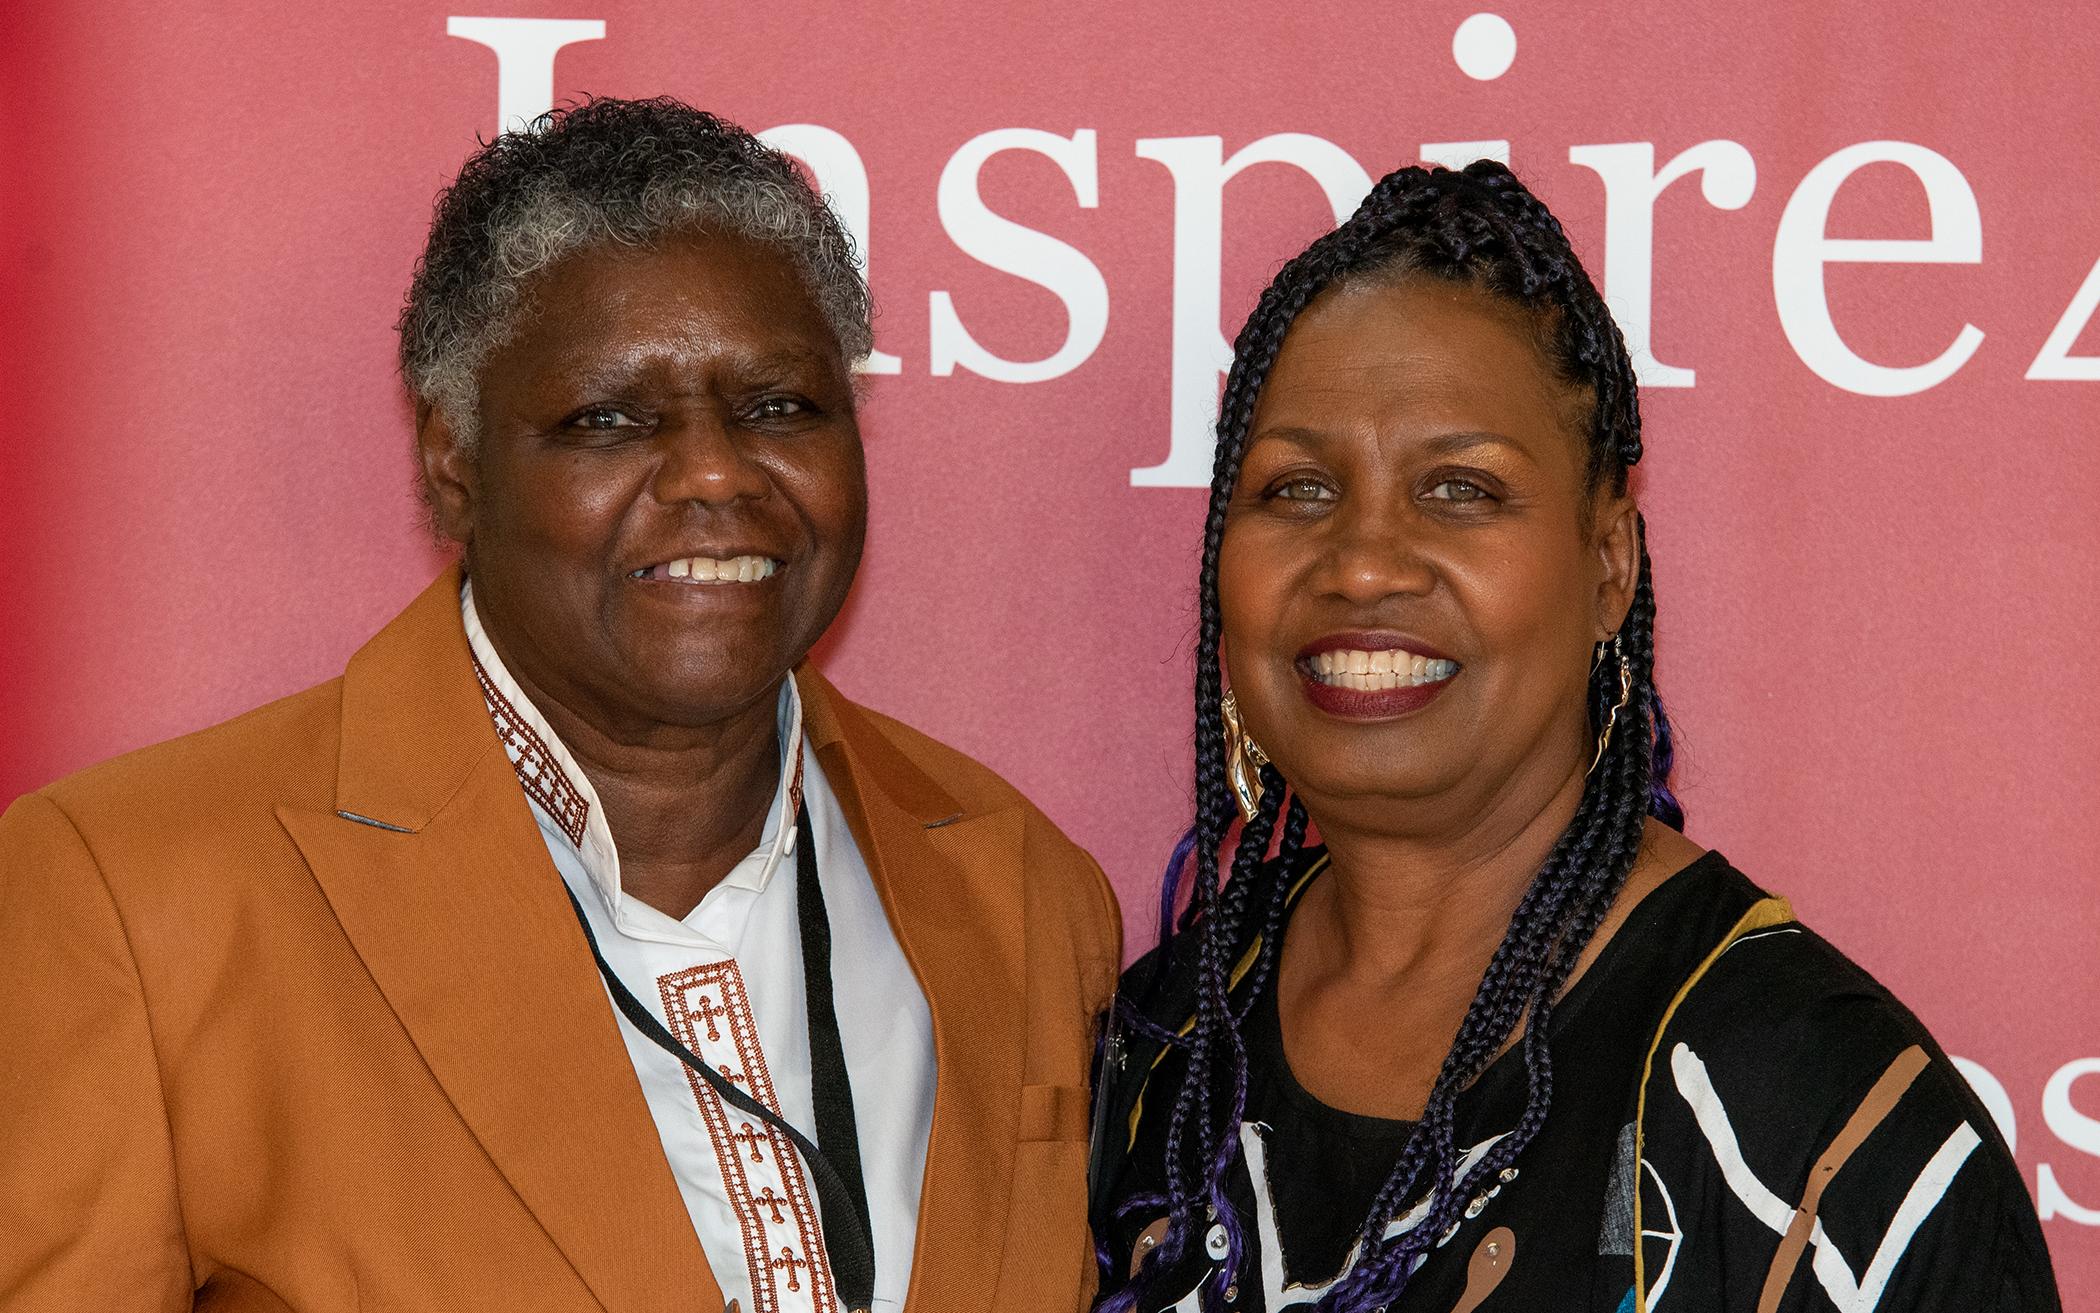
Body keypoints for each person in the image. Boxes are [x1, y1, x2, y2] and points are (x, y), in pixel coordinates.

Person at [0, 98, 1118, 1313]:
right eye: (609, 418)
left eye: (780, 406)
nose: (713, 472)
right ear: (454, 457)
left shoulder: (1029, 894)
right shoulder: (131, 898)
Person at [1087, 162, 2058, 1312]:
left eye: (1460, 488)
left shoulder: (1818, 1126)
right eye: (1296, 488)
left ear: (1610, 566)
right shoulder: (1168, 1051)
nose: (1360, 561)